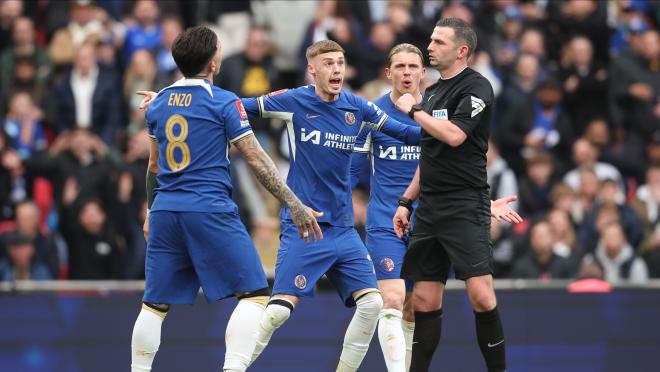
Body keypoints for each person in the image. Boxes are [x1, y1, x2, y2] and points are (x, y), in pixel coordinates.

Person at [138, 39, 420, 372]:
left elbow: (408, 135)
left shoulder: (359, 108)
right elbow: (233, 106)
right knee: (276, 312)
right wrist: (173, 102)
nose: (337, 69)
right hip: (305, 226)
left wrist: (439, 123)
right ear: (312, 70)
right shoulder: (292, 100)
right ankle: (237, 367)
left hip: (344, 229)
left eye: (341, 62)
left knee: (372, 303)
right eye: (328, 63)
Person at [130, 26, 321, 372]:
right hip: (209, 209)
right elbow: (256, 158)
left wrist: (150, 211)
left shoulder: (157, 104)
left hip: (166, 210)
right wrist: (294, 203)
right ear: (214, 62)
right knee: (254, 295)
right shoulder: (224, 101)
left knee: (154, 305)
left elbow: (154, 166)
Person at [352, 43, 521, 372]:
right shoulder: (373, 113)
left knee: (418, 306)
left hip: (431, 217)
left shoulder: (435, 110)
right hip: (388, 218)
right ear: (388, 73)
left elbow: (444, 164)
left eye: (413, 67)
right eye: (399, 67)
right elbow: (352, 167)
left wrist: (480, 202)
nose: (406, 73)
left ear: (422, 72)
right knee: (391, 299)